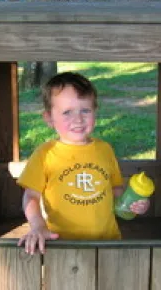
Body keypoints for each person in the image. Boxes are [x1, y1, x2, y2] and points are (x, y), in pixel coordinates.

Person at [17, 72, 149, 255]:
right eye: (67, 112)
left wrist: (133, 203)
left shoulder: (105, 150)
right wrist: (38, 226)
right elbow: (31, 196)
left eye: (85, 110)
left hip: (107, 243)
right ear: (48, 118)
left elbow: (115, 190)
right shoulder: (45, 154)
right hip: (62, 246)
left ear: (95, 111)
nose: (78, 119)